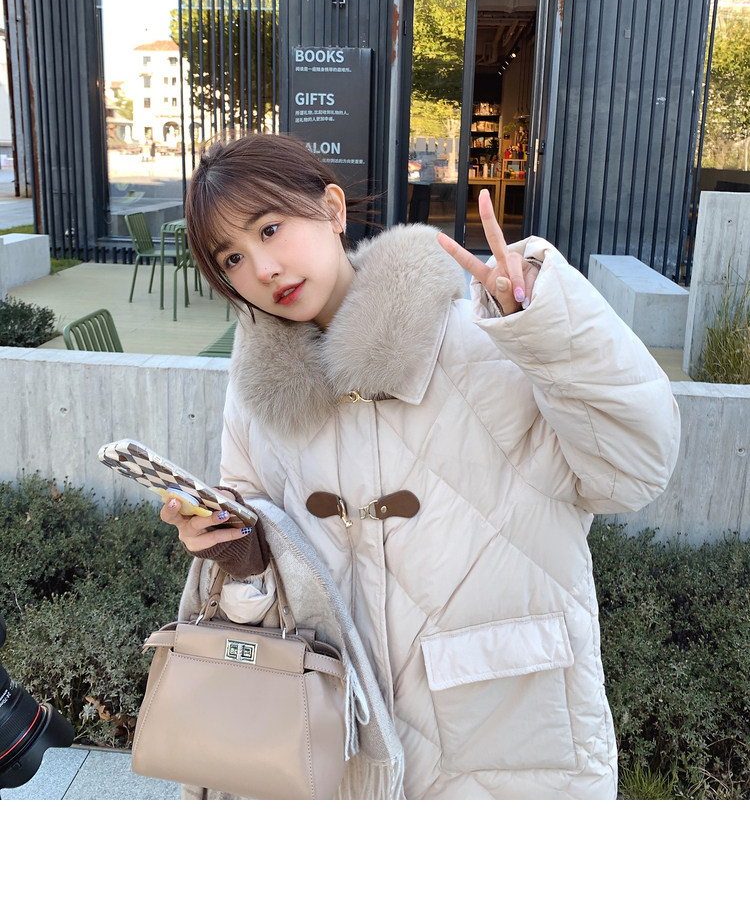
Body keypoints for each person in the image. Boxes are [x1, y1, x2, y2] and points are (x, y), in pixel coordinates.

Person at [161, 131, 680, 800]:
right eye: (232, 256)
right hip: (339, 746)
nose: (262, 268)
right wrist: (231, 546)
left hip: (505, 736)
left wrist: (545, 328)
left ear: (333, 209)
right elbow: (261, 570)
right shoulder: (257, 396)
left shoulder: (485, 341)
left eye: (270, 228)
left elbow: (633, 469)